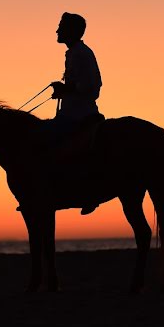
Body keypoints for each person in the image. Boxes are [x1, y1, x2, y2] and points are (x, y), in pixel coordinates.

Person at [44, 12, 103, 214]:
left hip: (77, 115)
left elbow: (91, 86)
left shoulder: (80, 53)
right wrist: (64, 90)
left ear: (71, 31)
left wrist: (64, 90)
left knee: (46, 141)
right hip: (72, 112)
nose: (57, 30)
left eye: (61, 26)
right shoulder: (75, 53)